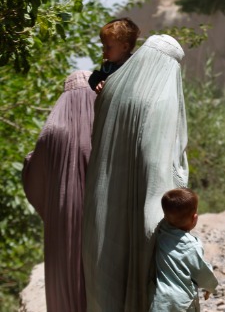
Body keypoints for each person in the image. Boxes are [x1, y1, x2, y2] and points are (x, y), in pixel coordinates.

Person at [82, 34, 189, 312]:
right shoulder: (161, 100)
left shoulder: (112, 87)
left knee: (107, 279)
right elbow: (160, 166)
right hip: (144, 204)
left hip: (102, 205)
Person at [22, 70, 96, 312]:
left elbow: (34, 173)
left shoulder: (51, 129)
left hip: (62, 220)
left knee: (65, 274)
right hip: (99, 217)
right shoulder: (103, 122)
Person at [150, 188, 218, 312]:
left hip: (161, 301)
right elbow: (200, 270)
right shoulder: (192, 245)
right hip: (183, 302)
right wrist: (210, 286)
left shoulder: (161, 231)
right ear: (194, 218)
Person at [88, 17, 140, 94]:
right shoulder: (108, 66)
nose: (104, 50)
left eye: (108, 47)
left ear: (125, 47)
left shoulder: (134, 66)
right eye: (103, 46)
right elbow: (94, 80)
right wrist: (98, 84)